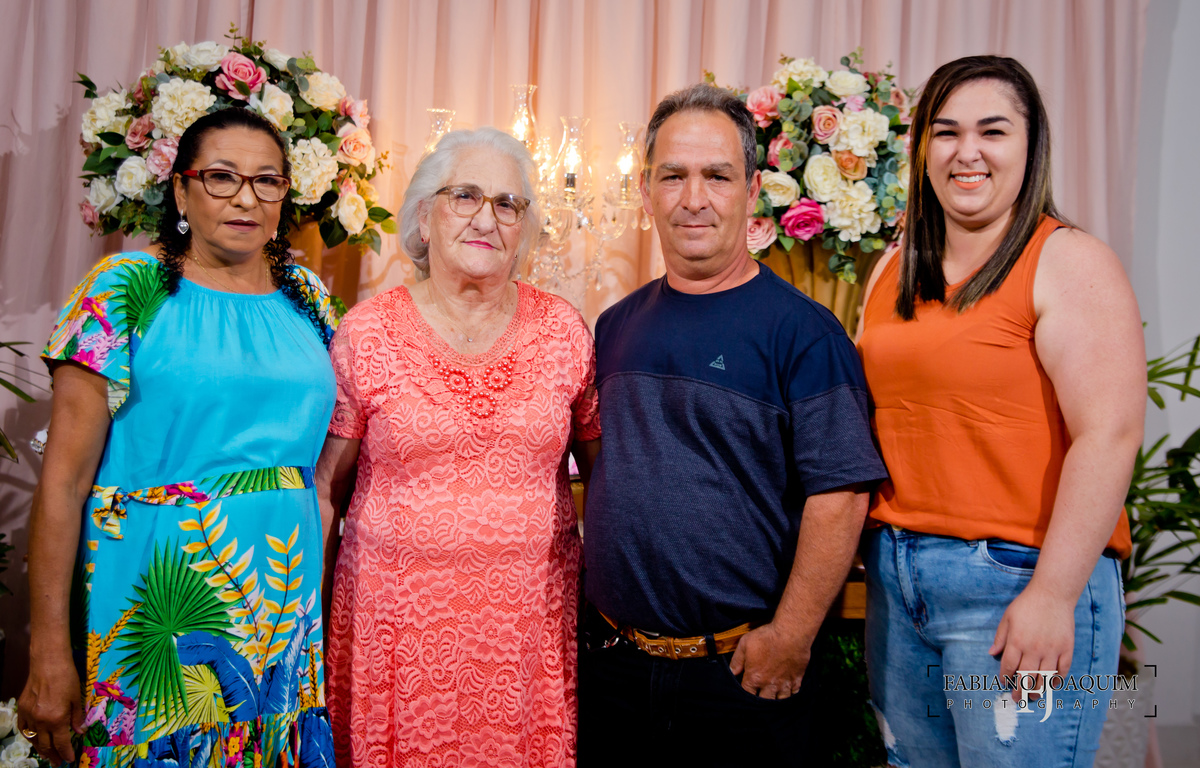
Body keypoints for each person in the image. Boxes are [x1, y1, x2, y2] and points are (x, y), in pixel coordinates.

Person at [577, 83, 888, 765]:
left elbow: (841, 497)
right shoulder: (615, 327)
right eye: (673, 176)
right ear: (645, 191)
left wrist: (791, 636)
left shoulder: (805, 334)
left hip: (741, 676)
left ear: (751, 191)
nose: (694, 198)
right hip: (612, 672)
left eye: (716, 176)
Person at [18, 107, 340, 766]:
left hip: (283, 599)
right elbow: (64, 484)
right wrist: (47, 651)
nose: (246, 198)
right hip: (156, 591)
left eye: (267, 180)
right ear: (182, 191)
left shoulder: (308, 296)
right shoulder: (123, 288)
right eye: (222, 177)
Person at [856, 55, 1145, 767]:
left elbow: (1109, 434)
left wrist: (1053, 594)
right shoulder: (893, 267)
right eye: (946, 131)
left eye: (993, 131)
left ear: (1030, 144)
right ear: (922, 148)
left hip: (1020, 580)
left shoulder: (1069, 261)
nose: (968, 152)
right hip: (899, 581)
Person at [318, 127, 601, 767]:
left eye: (507, 203)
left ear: (524, 229)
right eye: (465, 195)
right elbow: (327, 488)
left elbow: (604, 477)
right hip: (394, 627)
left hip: (528, 631)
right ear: (424, 216)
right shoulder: (367, 332)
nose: (486, 218)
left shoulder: (564, 330)